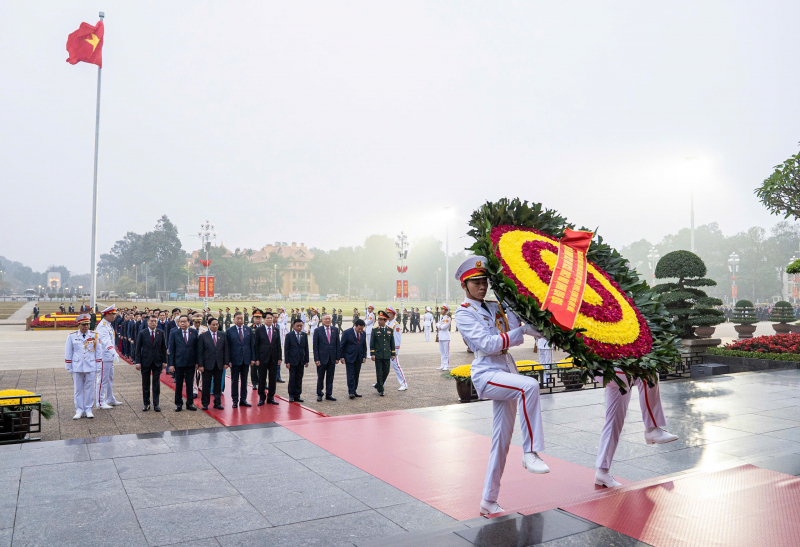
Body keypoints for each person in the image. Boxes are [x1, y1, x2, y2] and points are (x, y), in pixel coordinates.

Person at [454, 256, 549, 516]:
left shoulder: (495, 307)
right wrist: (521, 332)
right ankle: (530, 452)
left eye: (485, 281)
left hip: (505, 369)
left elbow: (519, 325)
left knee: (502, 441)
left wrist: (540, 327)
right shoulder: (463, 312)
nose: (482, 286)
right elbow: (488, 344)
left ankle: (488, 499)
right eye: (476, 282)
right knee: (529, 386)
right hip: (486, 371)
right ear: (465, 285)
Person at [594, 373, 678, 488]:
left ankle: (602, 472)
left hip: (617, 369)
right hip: (607, 367)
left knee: (614, 420)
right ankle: (652, 428)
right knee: (648, 373)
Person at [64, 313, 99, 419]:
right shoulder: (72, 336)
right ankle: (79, 410)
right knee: (78, 389)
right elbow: (68, 351)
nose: (86, 327)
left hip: (90, 365)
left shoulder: (94, 335)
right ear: (79, 325)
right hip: (77, 365)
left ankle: (88, 409)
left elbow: (98, 351)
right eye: (83, 325)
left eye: (87, 324)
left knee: (90, 389)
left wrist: (98, 365)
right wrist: (68, 366)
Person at [134, 314, 167, 412]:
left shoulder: (160, 333)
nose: (153, 323)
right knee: (146, 383)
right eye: (151, 321)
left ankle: (156, 404)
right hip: (145, 361)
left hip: (157, 362)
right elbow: (138, 348)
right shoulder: (142, 333)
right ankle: (146, 403)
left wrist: (165, 361)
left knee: (156, 384)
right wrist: (138, 362)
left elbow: (163, 348)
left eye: (155, 321)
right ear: (147, 322)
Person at [167, 314, 199, 411]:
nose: (182, 323)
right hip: (179, 362)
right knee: (179, 384)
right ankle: (178, 403)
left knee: (190, 384)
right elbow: (171, 349)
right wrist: (171, 364)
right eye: (181, 321)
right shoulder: (174, 333)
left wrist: (197, 362)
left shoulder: (194, 332)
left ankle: (190, 403)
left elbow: (197, 348)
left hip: (191, 362)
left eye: (184, 321)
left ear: (189, 323)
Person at [198, 317, 229, 410]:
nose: (215, 326)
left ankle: (217, 402)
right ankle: (205, 403)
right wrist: (200, 365)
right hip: (207, 364)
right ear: (209, 325)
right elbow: (200, 352)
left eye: (217, 325)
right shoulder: (203, 336)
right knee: (206, 384)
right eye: (213, 325)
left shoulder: (223, 335)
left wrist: (226, 362)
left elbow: (226, 350)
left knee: (218, 384)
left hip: (219, 364)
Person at [95, 305, 122, 409]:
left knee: (110, 378)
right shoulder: (102, 326)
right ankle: (100, 402)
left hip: (109, 356)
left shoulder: (108, 324)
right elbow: (106, 342)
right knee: (102, 379)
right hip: (104, 356)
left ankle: (110, 398)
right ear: (107, 315)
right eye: (112, 314)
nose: (114, 316)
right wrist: (114, 352)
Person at [227, 311, 255, 408]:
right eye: (238, 318)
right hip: (234, 360)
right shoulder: (229, 331)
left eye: (241, 318)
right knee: (235, 381)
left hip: (246, 359)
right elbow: (228, 347)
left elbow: (252, 345)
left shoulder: (248, 329)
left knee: (244, 380)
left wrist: (252, 358)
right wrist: (228, 360)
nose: (240, 320)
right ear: (234, 319)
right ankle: (235, 400)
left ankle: (243, 399)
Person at [254, 311, 282, 406]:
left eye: (271, 318)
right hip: (262, 358)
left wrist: (279, 357)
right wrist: (256, 358)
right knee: (262, 378)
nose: (270, 319)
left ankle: (271, 397)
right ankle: (262, 398)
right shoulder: (259, 330)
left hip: (273, 358)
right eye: (268, 318)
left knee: (272, 379)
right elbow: (256, 345)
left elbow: (278, 345)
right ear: (264, 319)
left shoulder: (276, 330)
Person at [313, 314, 341, 402]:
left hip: (332, 358)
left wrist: (337, 357)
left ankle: (329, 394)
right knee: (320, 377)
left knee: (330, 377)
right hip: (321, 358)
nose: (328, 320)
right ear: (322, 321)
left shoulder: (335, 330)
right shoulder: (318, 330)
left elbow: (337, 344)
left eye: (329, 319)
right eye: (326, 319)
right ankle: (319, 393)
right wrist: (316, 359)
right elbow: (315, 346)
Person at [370, 310, 395, 396]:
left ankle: (378, 384)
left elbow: (392, 342)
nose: (379, 321)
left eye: (381, 320)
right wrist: (372, 354)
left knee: (386, 371)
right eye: (379, 319)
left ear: (385, 320)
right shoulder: (375, 330)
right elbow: (372, 343)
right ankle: (381, 389)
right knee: (379, 372)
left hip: (387, 354)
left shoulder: (390, 330)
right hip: (378, 355)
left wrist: (393, 353)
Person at [341, 318, 367, 398]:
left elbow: (364, 346)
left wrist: (364, 356)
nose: (360, 330)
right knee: (351, 375)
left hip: (359, 357)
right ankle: (351, 392)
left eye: (362, 329)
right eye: (359, 328)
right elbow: (342, 346)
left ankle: (354, 390)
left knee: (356, 375)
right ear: (355, 325)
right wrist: (341, 357)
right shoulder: (346, 332)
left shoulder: (363, 333)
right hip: (349, 357)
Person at [284, 318, 309, 403]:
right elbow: (286, 349)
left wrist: (306, 360)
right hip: (292, 360)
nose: (299, 327)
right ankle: (291, 395)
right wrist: (287, 361)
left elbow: (306, 348)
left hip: (301, 360)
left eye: (301, 326)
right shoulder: (289, 335)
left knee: (299, 378)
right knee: (292, 378)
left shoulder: (304, 335)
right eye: (297, 326)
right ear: (293, 326)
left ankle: (298, 395)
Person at [385, 306, 408, 391]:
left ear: (392, 314)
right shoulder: (387, 323)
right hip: (386, 349)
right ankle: (381, 382)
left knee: (396, 366)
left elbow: (397, 340)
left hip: (392, 349)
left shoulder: (396, 325)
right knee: (384, 366)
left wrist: (395, 352)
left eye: (388, 313)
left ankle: (404, 384)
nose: (387, 314)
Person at [250, 310, 264, 388]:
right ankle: (254, 383)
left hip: (262, 351)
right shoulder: (250, 328)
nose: (258, 320)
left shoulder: (263, 327)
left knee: (263, 368)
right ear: (253, 319)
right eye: (256, 318)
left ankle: (263, 383)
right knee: (254, 368)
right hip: (254, 350)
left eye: (259, 318)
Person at [437, 303, 452, 370]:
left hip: (445, 336)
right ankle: (442, 364)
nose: (441, 310)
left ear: (446, 311)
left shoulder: (447, 318)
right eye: (441, 309)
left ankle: (446, 365)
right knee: (442, 352)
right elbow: (439, 326)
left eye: (442, 309)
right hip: (441, 336)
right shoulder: (441, 318)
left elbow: (444, 327)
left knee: (446, 352)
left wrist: (438, 325)